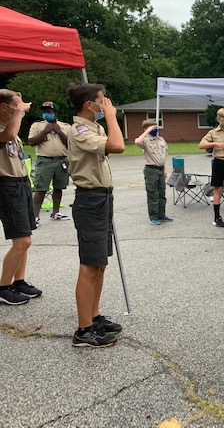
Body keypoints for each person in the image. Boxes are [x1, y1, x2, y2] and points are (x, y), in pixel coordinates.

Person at [67, 83, 125, 347]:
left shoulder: (93, 128)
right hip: (90, 200)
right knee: (89, 265)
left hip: (102, 198)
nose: (107, 105)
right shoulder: (79, 130)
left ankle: (93, 315)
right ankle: (84, 330)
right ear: (89, 105)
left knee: (100, 263)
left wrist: (107, 118)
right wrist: (112, 117)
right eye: (103, 101)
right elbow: (118, 145)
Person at [0, 89, 41, 305]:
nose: (23, 108)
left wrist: (17, 111)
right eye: (17, 105)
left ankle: (19, 281)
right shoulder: (5, 129)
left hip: (21, 183)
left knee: (25, 238)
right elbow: (7, 136)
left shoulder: (11, 127)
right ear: (4, 107)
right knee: (22, 240)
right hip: (7, 186)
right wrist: (18, 112)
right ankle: (3, 287)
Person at [28, 101, 71, 225]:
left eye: (49, 111)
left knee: (59, 187)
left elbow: (70, 144)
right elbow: (31, 142)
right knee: (41, 189)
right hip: (45, 160)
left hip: (61, 160)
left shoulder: (65, 126)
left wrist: (59, 131)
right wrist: (44, 132)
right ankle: (35, 216)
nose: (46, 113)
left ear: (55, 112)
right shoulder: (37, 126)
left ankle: (56, 212)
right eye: (44, 111)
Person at [135, 119, 172, 226]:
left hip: (160, 169)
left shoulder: (161, 140)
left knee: (162, 194)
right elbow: (137, 142)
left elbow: (163, 156)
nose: (155, 129)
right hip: (151, 170)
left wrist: (165, 169)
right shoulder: (145, 140)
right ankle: (153, 217)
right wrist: (147, 131)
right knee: (153, 194)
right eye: (152, 127)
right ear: (145, 129)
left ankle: (162, 214)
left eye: (156, 127)